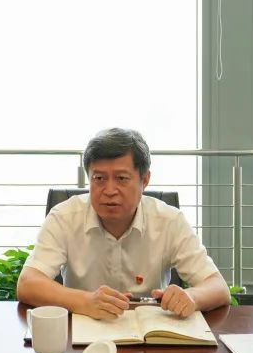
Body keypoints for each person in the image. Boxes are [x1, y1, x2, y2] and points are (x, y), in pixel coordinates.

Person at [17, 128, 230, 319]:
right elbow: (28, 283)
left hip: (150, 337)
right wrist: (85, 301)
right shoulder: (64, 217)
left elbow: (218, 287)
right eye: (99, 178)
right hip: (84, 334)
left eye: (121, 178)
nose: (109, 190)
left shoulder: (169, 221)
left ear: (144, 180)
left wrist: (191, 297)